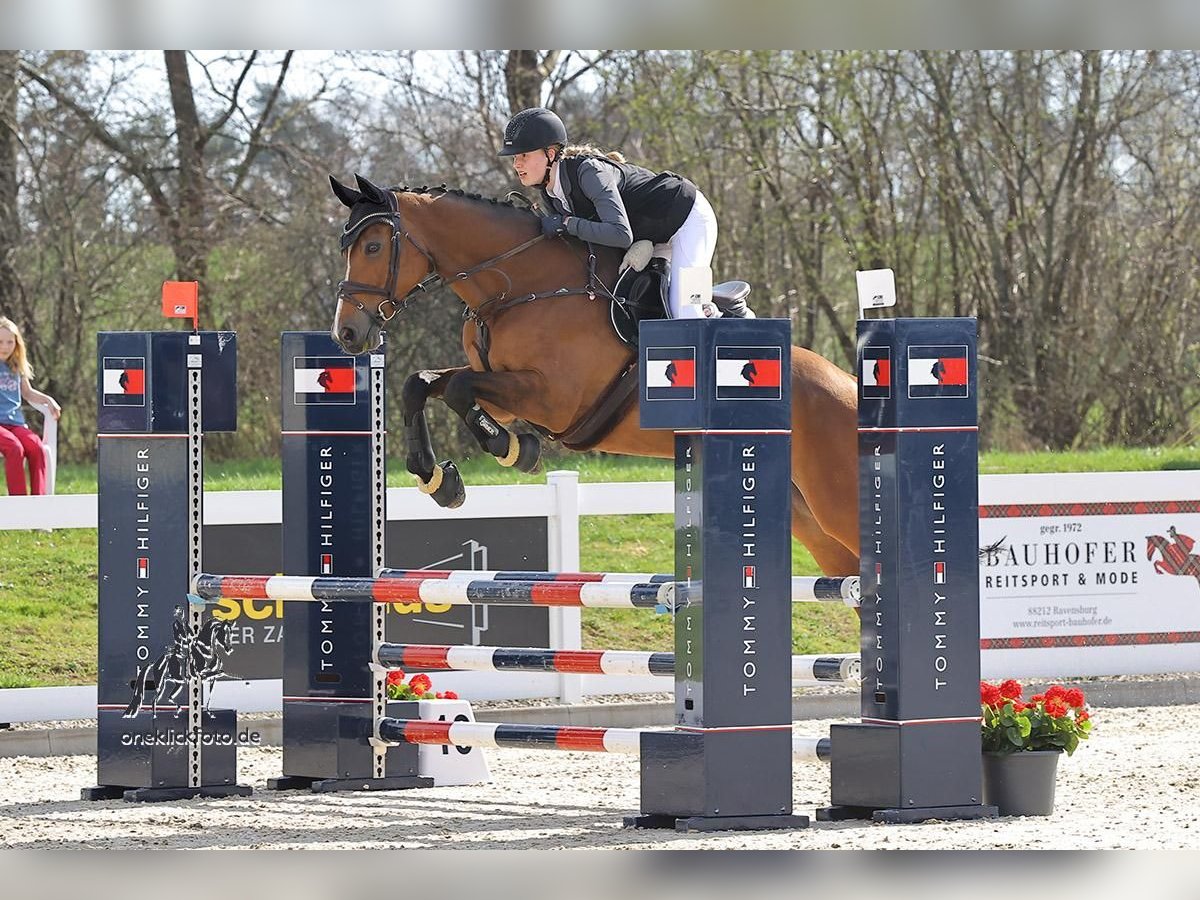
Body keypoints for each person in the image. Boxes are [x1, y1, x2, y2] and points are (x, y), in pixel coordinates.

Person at [499, 106, 748, 320]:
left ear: (550, 154)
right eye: (514, 158)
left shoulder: (589, 173)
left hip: (688, 218)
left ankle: (736, 321)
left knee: (687, 310)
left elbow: (620, 234)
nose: (516, 164)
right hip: (654, 233)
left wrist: (566, 223)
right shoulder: (551, 194)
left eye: (523, 155)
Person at [0, 316, 60, 495]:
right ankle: (20, 507)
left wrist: (49, 400)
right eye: (0, 341)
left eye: (10, 342)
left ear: (17, 344)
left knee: (36, 448)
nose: (5, 346)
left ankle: (38, 506)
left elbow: (27, 393)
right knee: (15, 448)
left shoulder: (16, 366)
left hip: (15, 423)